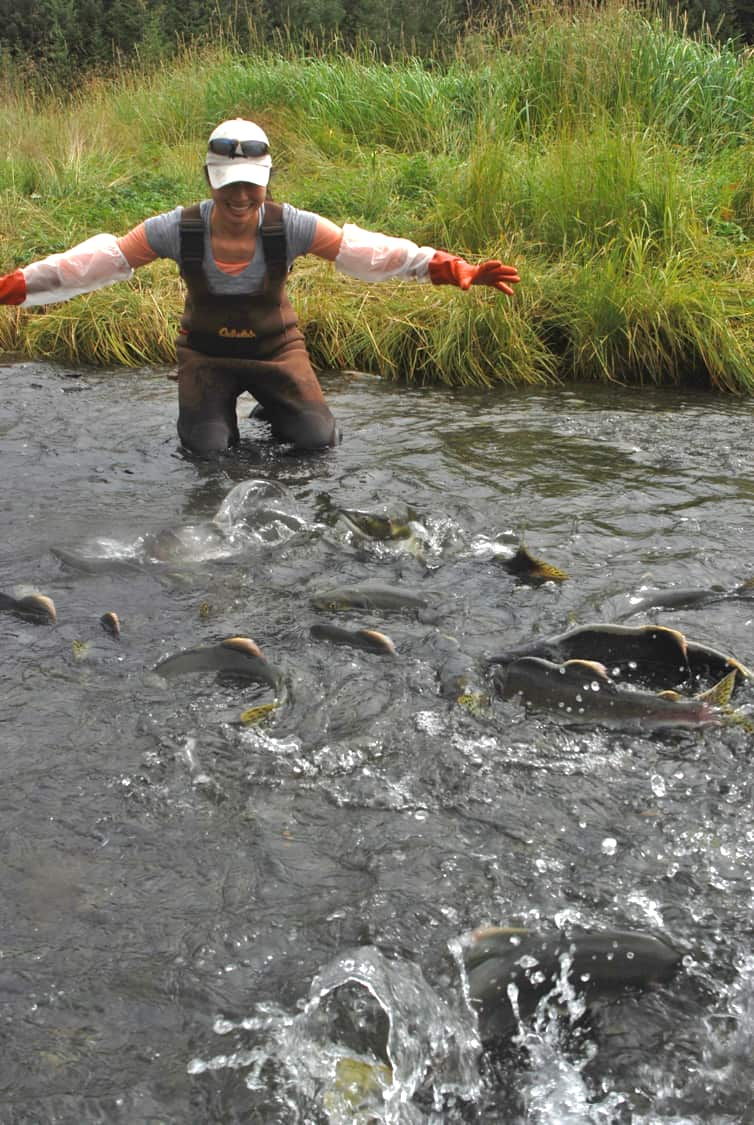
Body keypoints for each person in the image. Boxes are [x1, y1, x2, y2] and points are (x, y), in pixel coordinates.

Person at [0, 118, 521, 455]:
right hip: (205, 359)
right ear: (210, 180)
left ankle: (272, 405)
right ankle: (227, 417)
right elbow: (96, 261)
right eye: (229, 181)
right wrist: (18, 285)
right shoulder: (176, 229)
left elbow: (370, 252)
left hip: (277, 353)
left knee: (319, 444)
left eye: (251, 180)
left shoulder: (290, 225)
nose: (241, 193)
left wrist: (447, 267)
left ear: (266, 178)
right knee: (207, 456)